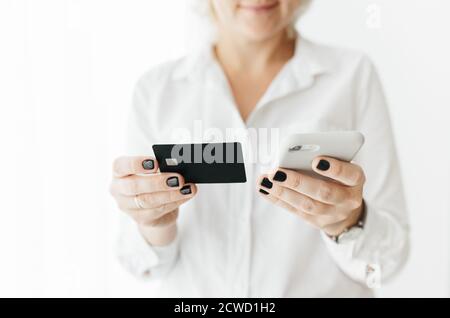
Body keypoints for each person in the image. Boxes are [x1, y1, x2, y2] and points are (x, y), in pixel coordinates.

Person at [109, 0, 409, 297]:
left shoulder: (352, 76)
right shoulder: (156, 91)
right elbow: (138, 263)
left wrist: (346, 222)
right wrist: (153, 221)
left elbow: (386, 262)